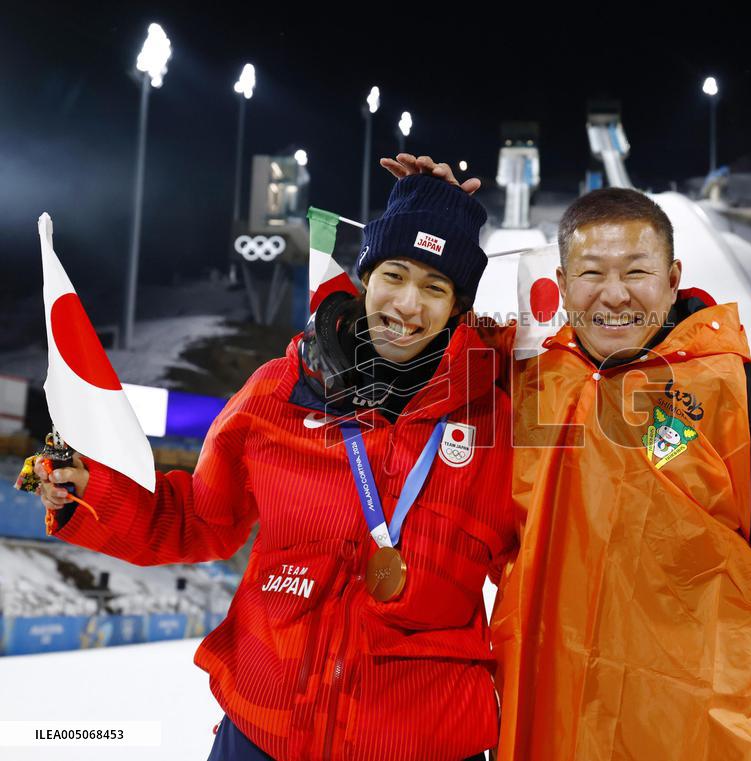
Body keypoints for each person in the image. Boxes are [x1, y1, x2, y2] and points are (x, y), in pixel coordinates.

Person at [382, 156, 751, 760]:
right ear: (561, 283)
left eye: (637, 271)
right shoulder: (528, 383)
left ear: (672, 277)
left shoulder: (747, 406)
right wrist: (434, 221)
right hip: (550, 735)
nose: (614, 294)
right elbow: (411, 349)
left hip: (715, 741)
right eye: (591, 273)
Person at [34, 174, 517, 761]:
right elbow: (198, 518)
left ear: (459, 306)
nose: (408, 305)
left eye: (435, 285)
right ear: (365, 278)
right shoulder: (280, 389)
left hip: (422, 741)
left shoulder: (501, 415)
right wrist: (96, 494)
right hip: (264, 732)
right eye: (394, 275)